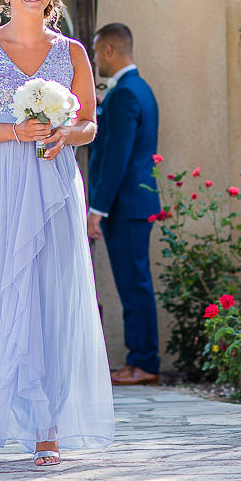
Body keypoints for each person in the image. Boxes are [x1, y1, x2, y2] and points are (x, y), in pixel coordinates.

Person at [0, 0, 113, 468]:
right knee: (6, 295)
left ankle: (49, 425)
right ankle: (9, 401)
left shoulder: (74, 52)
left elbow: (90, 123)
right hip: (1, 181)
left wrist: (67, 132)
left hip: (56, 181)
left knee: (54, 294)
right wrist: (14, 131)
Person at [86, 23, 163, 386]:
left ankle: (143, 363)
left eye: (97, 51)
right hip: (135, 203)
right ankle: (140, 359)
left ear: (109, 51)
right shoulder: (139, 89)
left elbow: (116, 157)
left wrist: (97, 209)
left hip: (126, 205)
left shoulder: (125, 95)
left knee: (134, 286)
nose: (95, 59)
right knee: (136, 283)